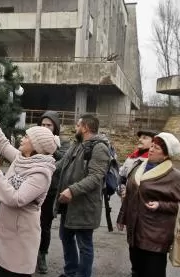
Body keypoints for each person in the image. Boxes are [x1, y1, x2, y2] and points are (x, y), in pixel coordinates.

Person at [0, 100, 58, 277]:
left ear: (36, 146)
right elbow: (2, 144)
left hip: (20, 240)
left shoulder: (41, 174)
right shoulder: (22, 158)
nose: (22, 138)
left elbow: (16, 199)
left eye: (27, 137)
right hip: (5, 233)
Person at [116, 132, 180, 277]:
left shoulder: (174, 176)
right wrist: (122, 217)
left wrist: (160, 205)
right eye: (152, 146)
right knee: (136, 270)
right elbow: (130, 194)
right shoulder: (138, 167)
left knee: (153, 272)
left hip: (156, 235)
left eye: (157, 148)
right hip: (135, 230)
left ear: (166, 155)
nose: (151, 150)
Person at [53, 114, 110, 277]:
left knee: (84, 244)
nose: (75, 128)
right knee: (66, 237)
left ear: (85, 127)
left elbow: (95, 177)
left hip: (85, 206)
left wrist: (72, 190)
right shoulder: (77, 144)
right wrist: (42, 168)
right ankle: (71, 272)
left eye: (78, 125)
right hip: (68, 205)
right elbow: (61, 164)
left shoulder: (100, 148)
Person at [36, 111, 70, 274]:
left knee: (45, 226)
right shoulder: (34, 140)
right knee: (29, 224)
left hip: (51, 190)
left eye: (49, 125)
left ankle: (42, 255)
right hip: (33, 188)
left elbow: (63, 163)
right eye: (43, 124)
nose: (45, 127)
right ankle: (28, 254)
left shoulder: (63, 143)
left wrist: (53, 147)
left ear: (55, 126)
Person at [118, 130, 157, 197]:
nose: (140, 140)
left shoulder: (153, 160)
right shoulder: (132, 156)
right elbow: (122, 176)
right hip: (126, 201)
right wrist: (121, 189)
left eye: (144, 138)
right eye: (140, 138)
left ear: (153, 143)